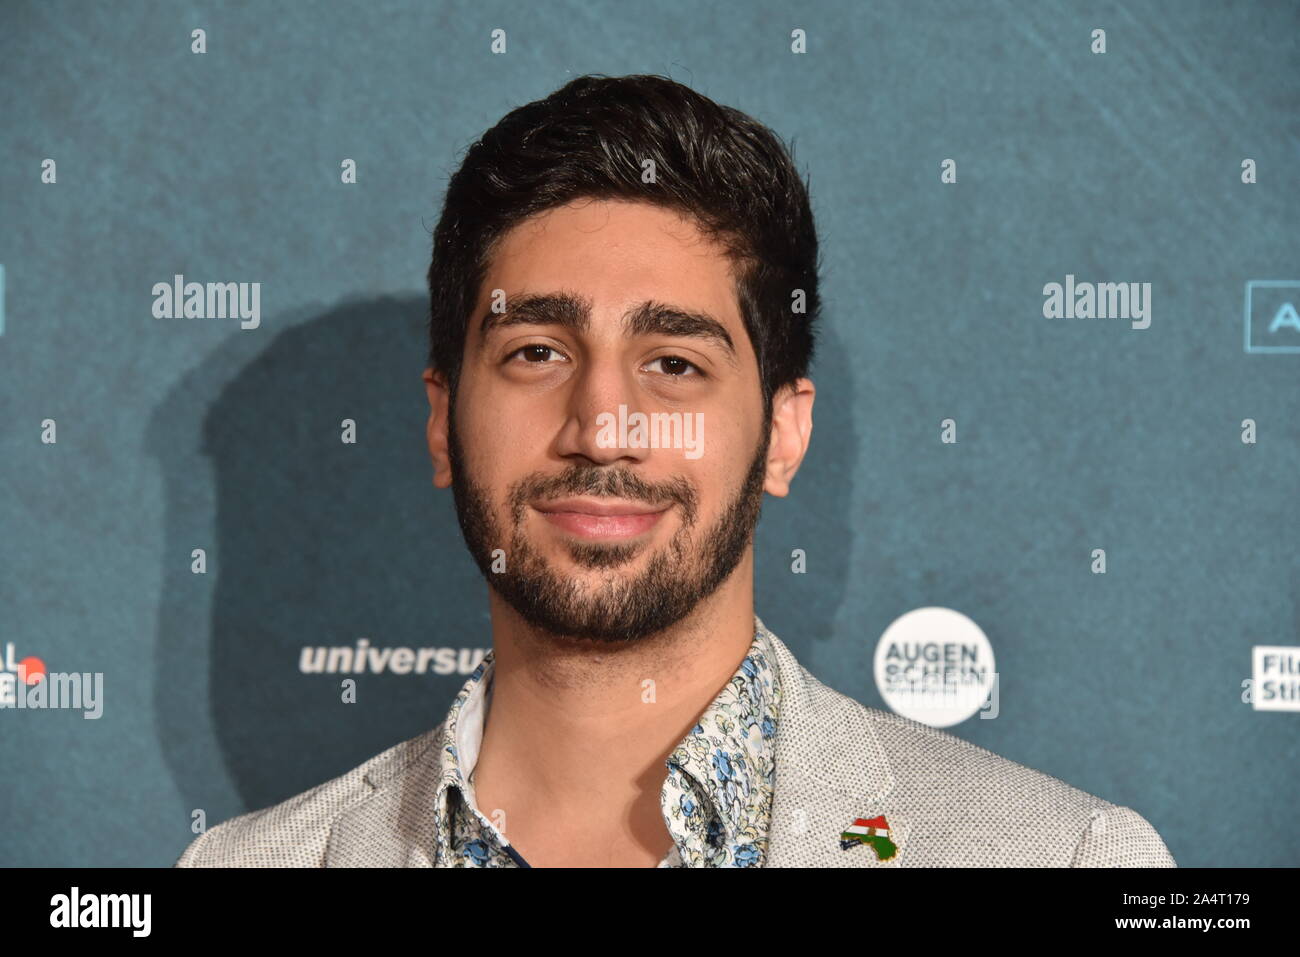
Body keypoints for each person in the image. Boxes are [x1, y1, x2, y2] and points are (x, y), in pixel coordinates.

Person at [177, 74, 1174, 868]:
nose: (602, 429)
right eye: (536, 353)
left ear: (782, 435)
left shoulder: (1062, 861)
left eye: (673, 365)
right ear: (443, 423)